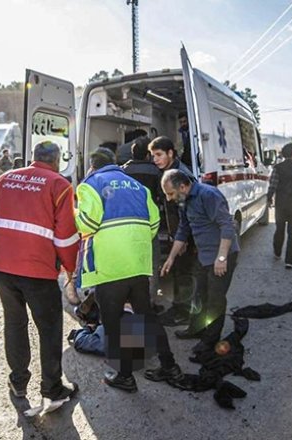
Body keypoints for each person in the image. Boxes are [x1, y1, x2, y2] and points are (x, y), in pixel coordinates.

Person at [76, 148, 182, 392]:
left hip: (111, 266)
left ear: (93, 166)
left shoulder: (90, 184)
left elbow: (88, 224)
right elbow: (154, 224)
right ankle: (170, 366)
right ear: (115, 164)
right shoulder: (137, 186)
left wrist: (74, 214)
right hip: (138, 264)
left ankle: (124, 376)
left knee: (111, 324)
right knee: (146, 316)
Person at [0, 141, 79, 407]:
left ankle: (18, 381)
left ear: (33, 158)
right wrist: (70, 269)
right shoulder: (59, 185)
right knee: (49, 328)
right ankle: (52, 388)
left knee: (14, 322)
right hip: (37, 268)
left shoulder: (3, 180)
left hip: (1, 266)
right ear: (57, 161)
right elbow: (65, 238)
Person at [161, 169, 240, 354]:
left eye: (170, 194)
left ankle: (210, 340)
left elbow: (227, 225)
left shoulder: (208, 195)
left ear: (182, 186)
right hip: (204, 256)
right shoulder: (184, 201)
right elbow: (183, 230)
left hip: (222, 255)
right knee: (198, 294)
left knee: (215, 300)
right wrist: (171, 258)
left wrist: (221, 258)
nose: (169, 199)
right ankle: (196, 329)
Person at [148, 136, 196, 328]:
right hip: (177, 231)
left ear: (170, 153)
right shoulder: (168, 171)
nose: (155, 159)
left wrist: (183, 239)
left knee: (184, 273)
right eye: (153, 156)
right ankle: (179, 308)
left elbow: (187, 212)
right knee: (178, 271)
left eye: (159, 155)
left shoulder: (181, 175)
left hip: (185, 234)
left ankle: (183, 313)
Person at [123, 136, 165, 298]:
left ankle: (130, 299)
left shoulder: (122, 171)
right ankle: (151, 300)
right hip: (148, 225)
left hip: (125, 225)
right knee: (152, 263)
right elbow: (163, 198)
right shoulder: (156, 172)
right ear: (148, 155)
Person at [267, 143, 292, 269]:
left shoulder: (277, 168)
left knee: (279, 229)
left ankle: (277, 252)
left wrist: (269, 198)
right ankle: (289, 260)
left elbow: (273, 184)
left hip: (281, 203)